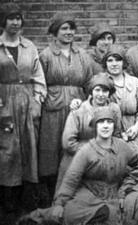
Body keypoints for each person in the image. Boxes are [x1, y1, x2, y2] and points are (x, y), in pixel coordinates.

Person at [19, 107, 138, 225]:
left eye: (109, 122)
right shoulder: (86, 151)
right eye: (101, 122)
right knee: (69, 214)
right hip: (88, 195)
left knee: (123, 216)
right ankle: (38, 217)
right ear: (95, 126)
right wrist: (59, 204)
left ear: (114, 125)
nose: (105, 126)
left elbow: (136, 162)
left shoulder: (122, 147)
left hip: (113, 194)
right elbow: (71, 179)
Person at [38, 12, 93, 198]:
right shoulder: (45, 55)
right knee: (51, 148)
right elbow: (39, 83)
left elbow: (88, 83)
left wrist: (87, 104)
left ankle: (73, 191)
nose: (69, 32)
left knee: (74, 145)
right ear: (55, 32)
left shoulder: (82, 55)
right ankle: (49, 193)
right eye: (64, 28)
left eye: (71, 28)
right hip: (53, 107)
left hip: (78, 106)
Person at [0, 2, 46, 212]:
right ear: (3, 21)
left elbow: (38, 76)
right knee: (8, 149)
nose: (16, 22)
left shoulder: (29, 46)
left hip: (27, 102)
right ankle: (6, 200)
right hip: (4, 101)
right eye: (11, 18)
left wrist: (37, 100)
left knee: (29, 147)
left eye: (18, 18)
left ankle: (26, 200)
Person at [56, 73, 122, 192]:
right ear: (91, 91)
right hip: (78, 157)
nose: (101, 95)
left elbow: (116, 136)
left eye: (105, 91)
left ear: (110, 93)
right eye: (97, 90)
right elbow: (68, 143)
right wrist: (93, 151)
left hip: (105, 158)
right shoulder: (78, 111)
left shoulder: (114, 109)